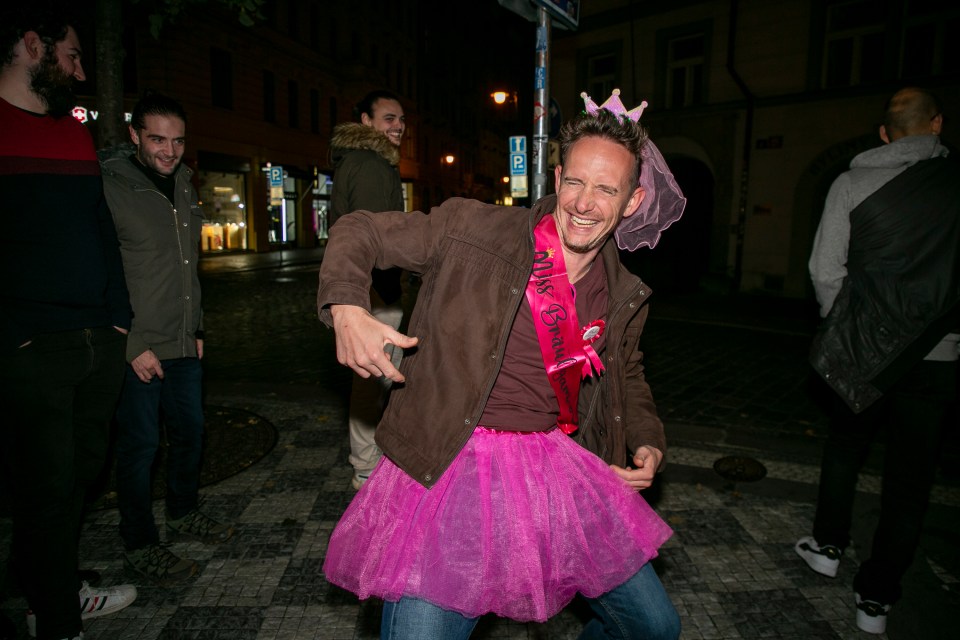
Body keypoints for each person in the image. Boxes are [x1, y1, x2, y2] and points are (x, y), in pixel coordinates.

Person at [318, 89, 686, 639]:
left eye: (606, 189)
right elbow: (361, 229)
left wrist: (647, 437)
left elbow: (627, 373)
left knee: (654, 628)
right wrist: (346, 306)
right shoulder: (473, 229)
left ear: (632, 201)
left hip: (555, 468)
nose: (585, 203)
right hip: (450, 464)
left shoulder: (623, 291)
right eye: (577, 182)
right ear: (558, 179)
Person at [798, 87, 960, 635]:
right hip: (938, 354)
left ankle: (826, 547)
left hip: (862, 349)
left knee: (845, 448)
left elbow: (825, 269)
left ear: (885, 134)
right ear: (936, 125)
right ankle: (876, 601)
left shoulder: (851, 183)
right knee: (910, 481)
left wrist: (847, 328)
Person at [0, 7, 138, 639]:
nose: (80, 72)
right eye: (72, 56)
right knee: (48, 485)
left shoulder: (71, 131)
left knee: (82, 472)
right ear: (33, 45)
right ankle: (56, 620)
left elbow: (100, 229)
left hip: (96, 340)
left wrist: (117, 320)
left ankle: (41, 581)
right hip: (31, 345)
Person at [100, 92, 234, 586]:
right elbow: (104, 271)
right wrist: (132, 344)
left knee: (191, 435)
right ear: (134, 135)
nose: (169, 150)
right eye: (157, 139)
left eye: (177, 140)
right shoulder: (110, 186)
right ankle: (139, 542)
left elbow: (185, 268)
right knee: (139, 448)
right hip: (138, 345)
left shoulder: (183, 183)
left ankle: (183, 513)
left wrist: (196, 327)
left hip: (183, 342)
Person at [328, 89, 408, 490]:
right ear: (366, 122)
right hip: (375, 289)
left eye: (401, 120)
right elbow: (376, 235)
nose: (398, 127)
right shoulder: (371, 164)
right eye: (388, 119)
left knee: (374, 374)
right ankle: (366, 464)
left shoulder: (364, 161)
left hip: (370, 286)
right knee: (375, 374)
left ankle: (367, 458)